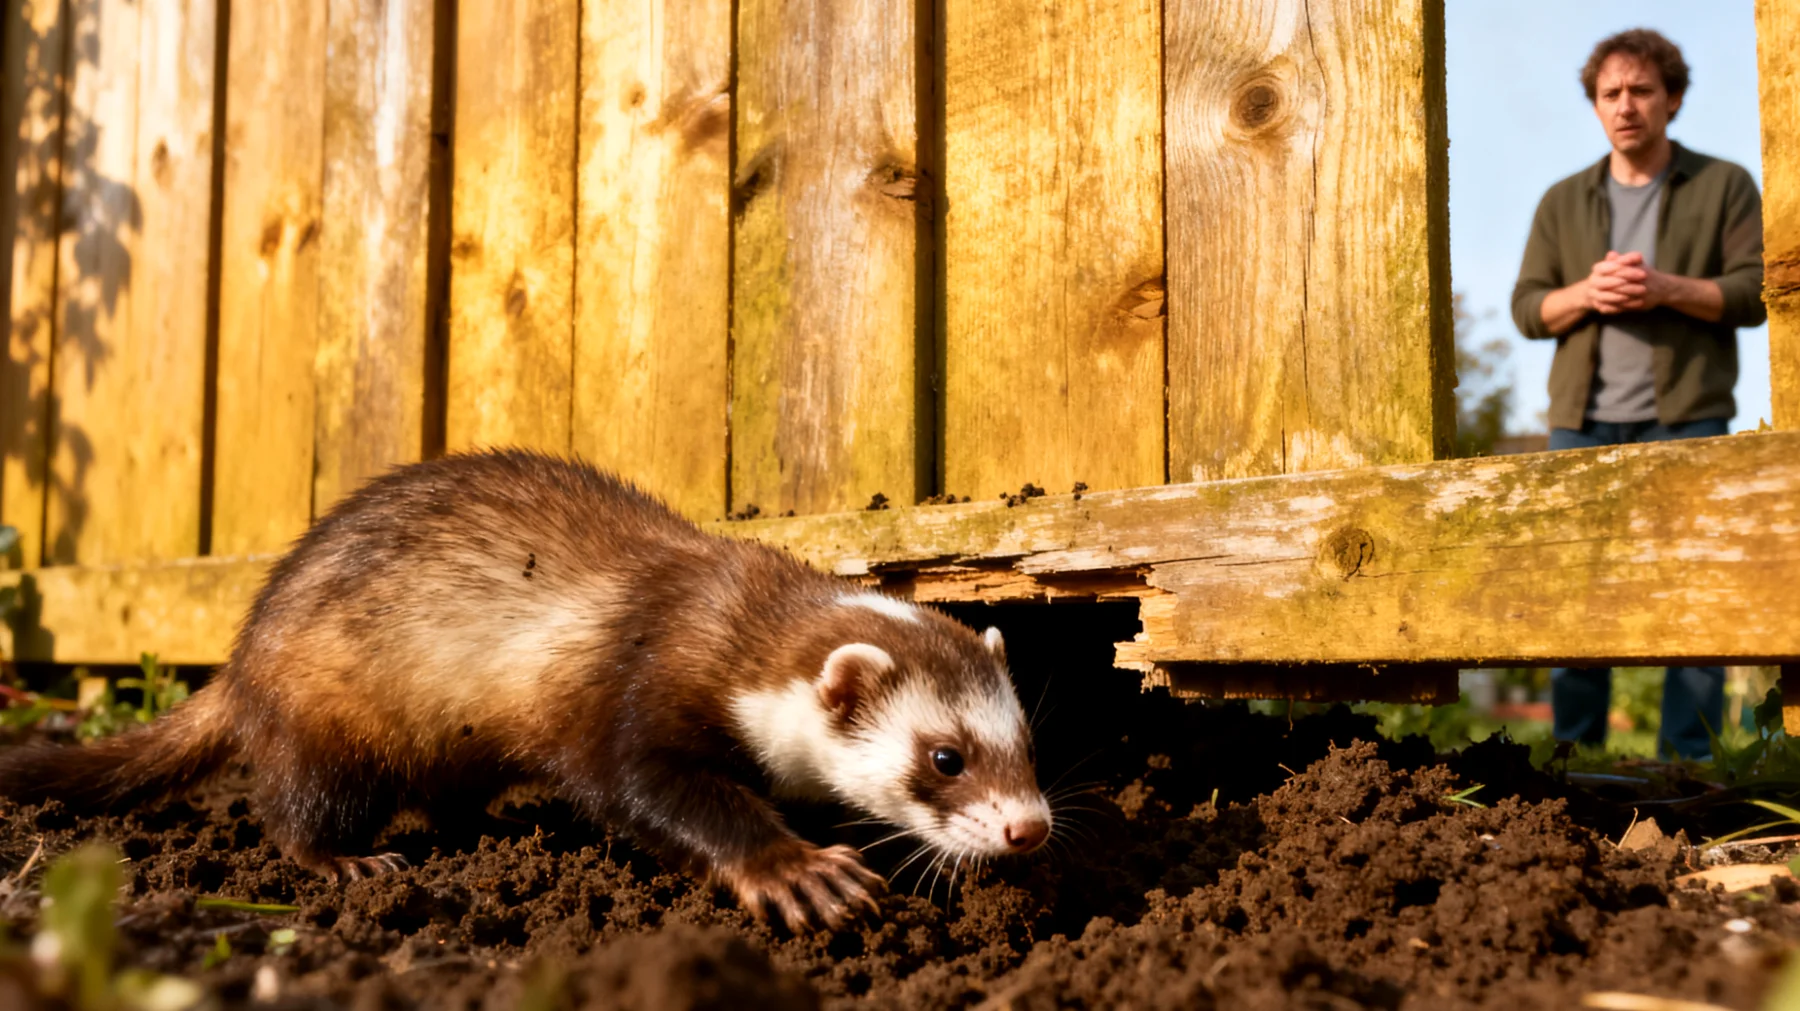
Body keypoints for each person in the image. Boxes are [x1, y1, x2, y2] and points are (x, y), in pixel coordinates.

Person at [1510, 28, 1766, 760]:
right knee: (1579, 596)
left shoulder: (1724, 185)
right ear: (1595, 106)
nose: (1627, 106)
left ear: (1673, 99)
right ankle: (1574, 763)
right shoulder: (1563, 202)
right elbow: (1529, 310)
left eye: (1643, 91)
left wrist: (1665, 287)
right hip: (1580, 427)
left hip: (1688, 418)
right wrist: (1587, 292)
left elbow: (1753, 294)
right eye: (1611, 93)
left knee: (1694, 593)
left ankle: (1687, 766)